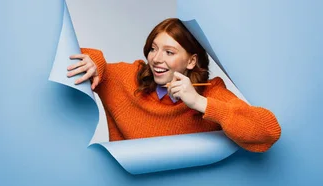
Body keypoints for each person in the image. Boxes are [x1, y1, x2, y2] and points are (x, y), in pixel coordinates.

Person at [66, 18, 281, 153]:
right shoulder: (128, 78)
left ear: (191, 61)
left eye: (169, 52)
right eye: (153, 48)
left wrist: (200, 103)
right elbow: (78, 58)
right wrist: (95, 61)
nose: (156, 59)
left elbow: (268, 130)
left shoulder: (210, 92)